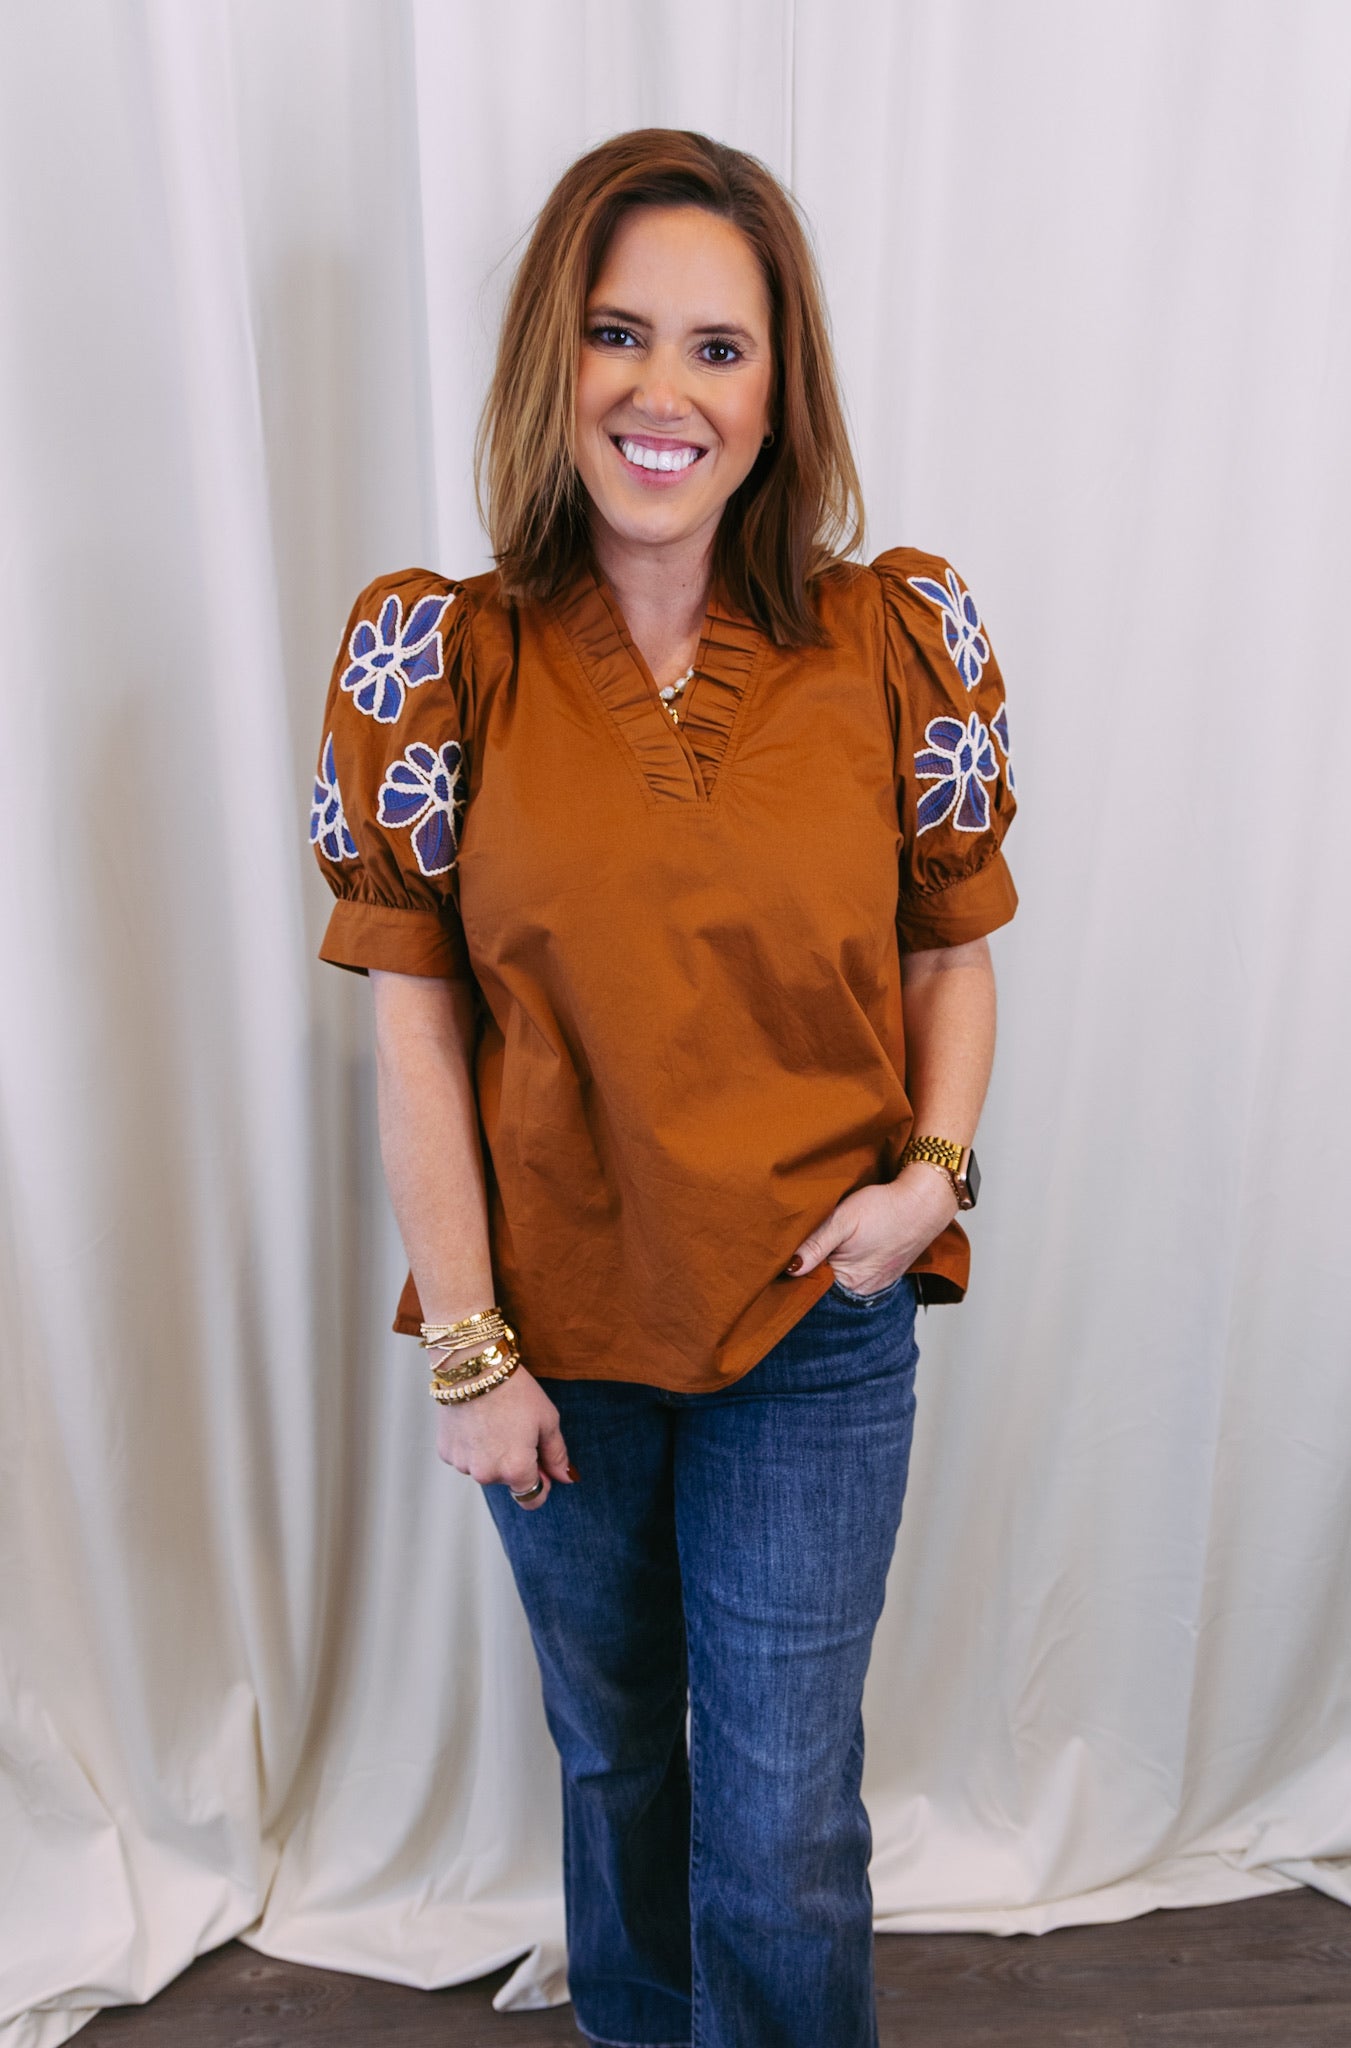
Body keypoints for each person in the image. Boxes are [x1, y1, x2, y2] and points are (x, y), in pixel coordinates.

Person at [310, 127, 1016, 2048]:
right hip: (552, 1340)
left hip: (819, 1311)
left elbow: (950, 949)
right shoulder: (434, 660)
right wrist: (470, 1350)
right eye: (622, 334)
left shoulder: (896, 642)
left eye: (721, 347)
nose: (664, 390)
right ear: (559, 356)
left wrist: (931, 1178)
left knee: (780, 1818)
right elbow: (415, 1021)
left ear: (780, 390)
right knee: (618, 1760)